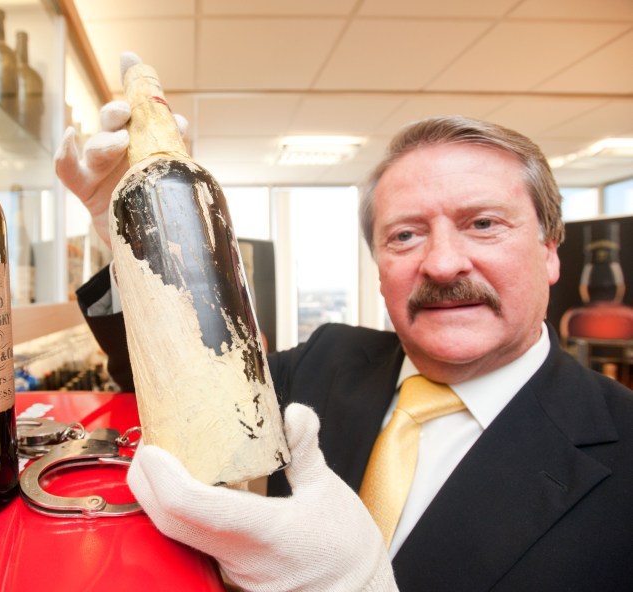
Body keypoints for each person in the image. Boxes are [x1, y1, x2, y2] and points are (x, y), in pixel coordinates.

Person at [55, 95, 633, 591]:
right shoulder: (329, 357)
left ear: (550, 251)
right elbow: (183, 391)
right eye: (405, 235)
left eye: (483, 224)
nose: (442, 263)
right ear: (379, 266)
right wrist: (139, 244)